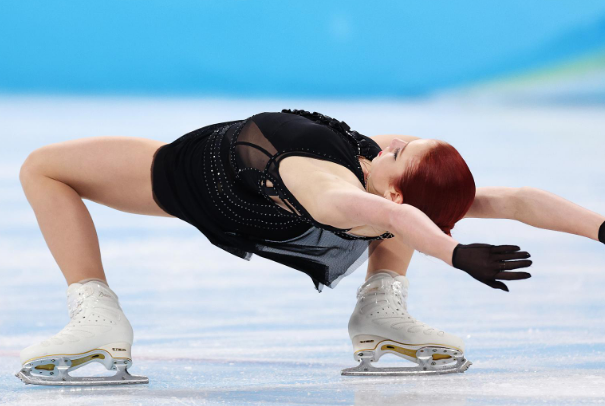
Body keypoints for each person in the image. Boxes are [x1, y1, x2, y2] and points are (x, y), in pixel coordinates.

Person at [15, 109, 605, 384]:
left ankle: (381, 310)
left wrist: (452, 253)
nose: (394, 140)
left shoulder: (349, 192)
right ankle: (97, 312)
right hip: (211, 174)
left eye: (402, 152)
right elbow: (517, 197)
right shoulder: (379, 193)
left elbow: (396, 209)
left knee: (41, 168)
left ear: (397, 185)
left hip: (187, 177)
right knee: (46, 168)